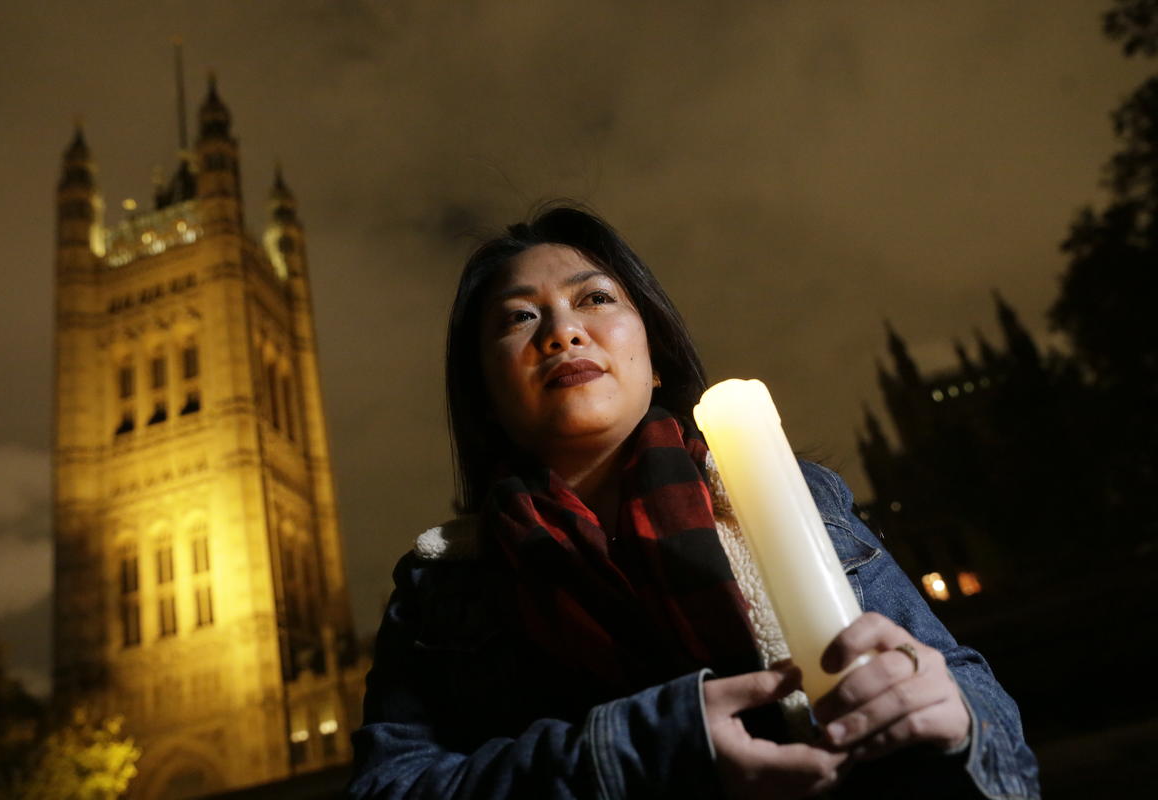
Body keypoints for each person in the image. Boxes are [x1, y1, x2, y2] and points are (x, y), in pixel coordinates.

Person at [348, 205, 1040, 799]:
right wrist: (645, 749)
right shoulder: (440, 586)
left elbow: (984, 715)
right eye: (521, 317)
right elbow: (391, 785)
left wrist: (954, 717)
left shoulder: (805, 497)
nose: (563, 332)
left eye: (595, 299)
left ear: (653, 356)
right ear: (486, 398)